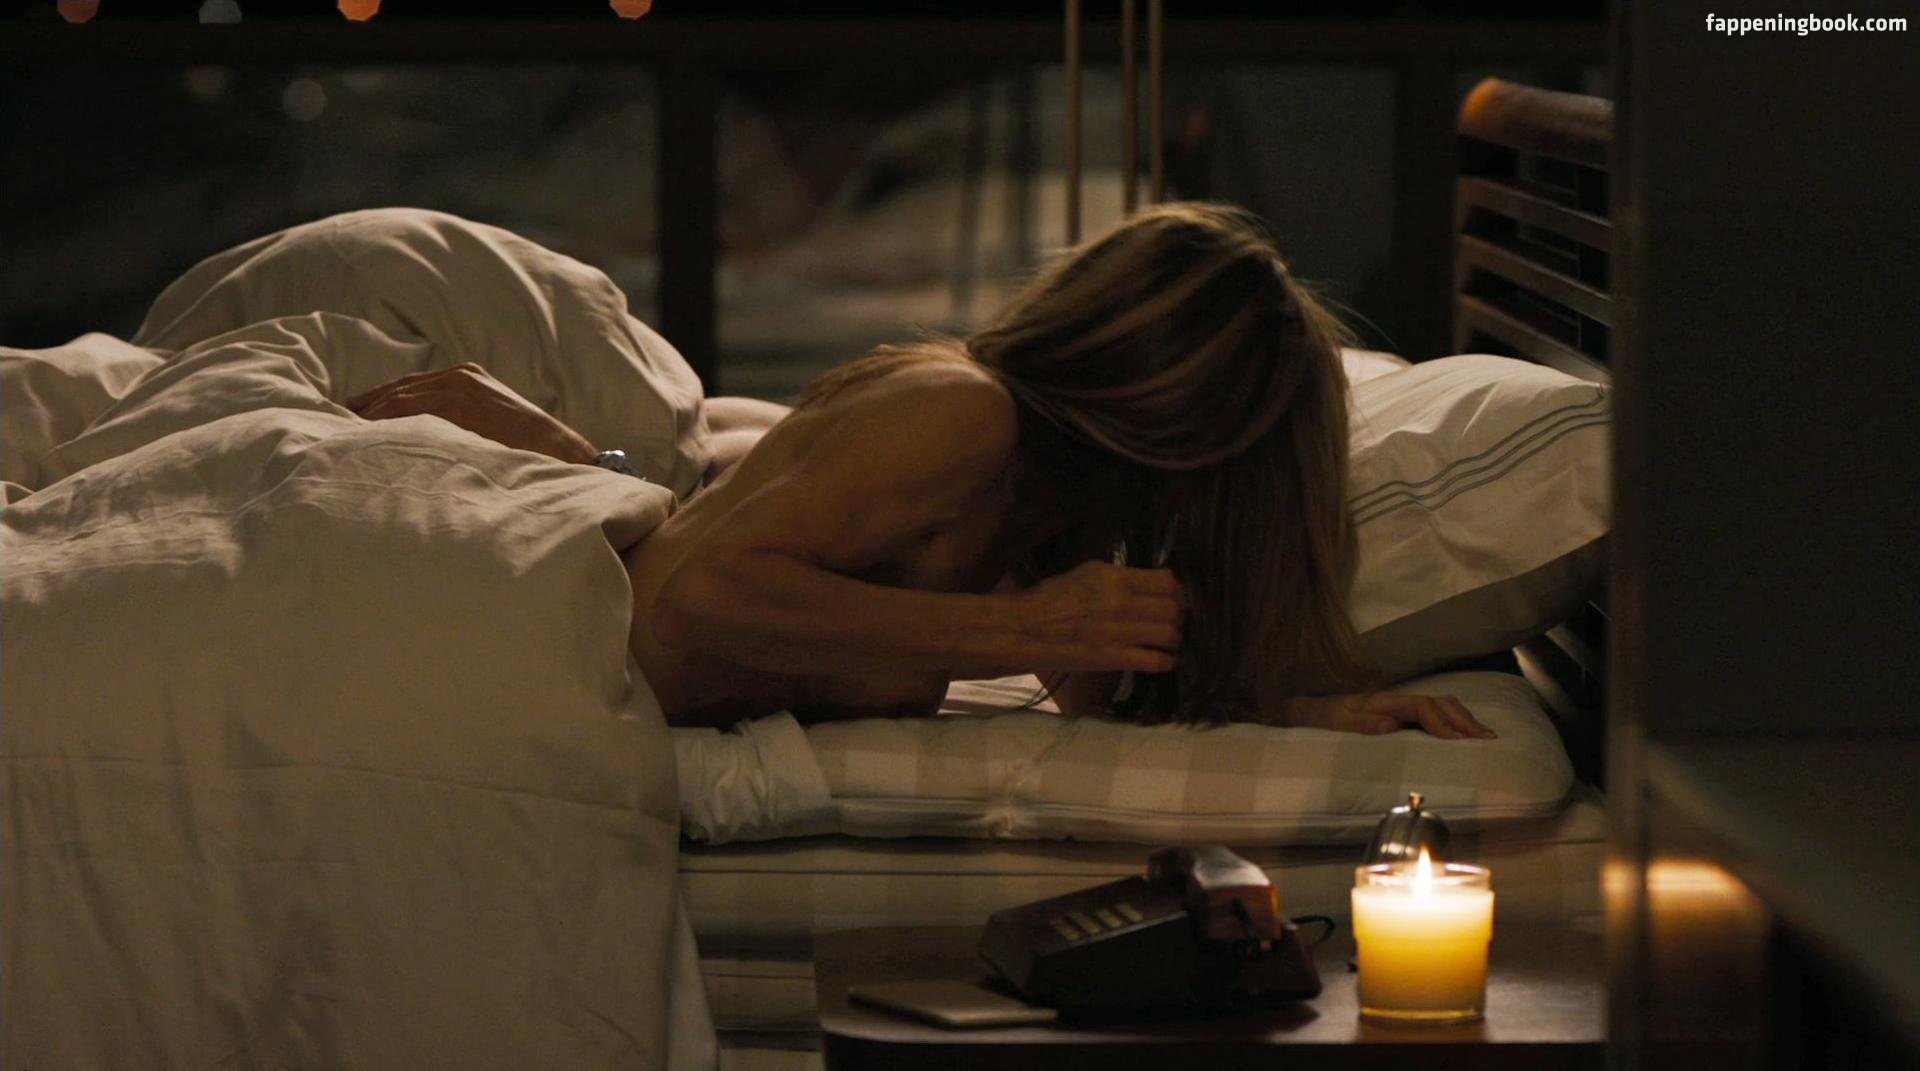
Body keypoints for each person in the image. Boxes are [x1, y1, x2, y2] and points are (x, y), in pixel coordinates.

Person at [349, 203, 1494, 739]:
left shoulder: (1037, 505)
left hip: (611, 543)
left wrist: (1303, 712)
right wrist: (1023, 632)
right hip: (496, 634)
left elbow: (1100, 700)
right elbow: (686, 603)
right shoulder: (965, 415)